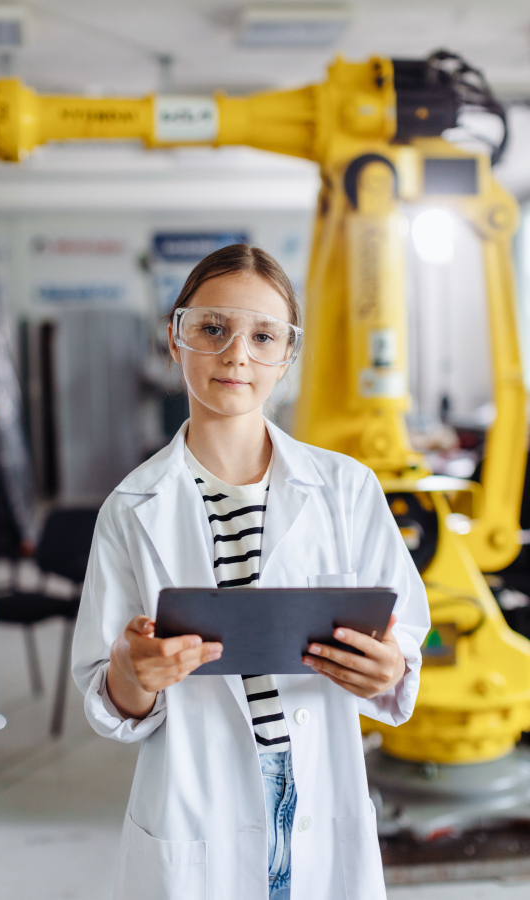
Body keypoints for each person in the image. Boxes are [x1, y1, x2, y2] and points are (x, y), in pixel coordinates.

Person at [72, 244, 430, 900]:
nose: (237, 354)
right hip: (197, 796)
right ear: (176, 341)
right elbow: (108, 697)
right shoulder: (133, 509)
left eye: (263, 335)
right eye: (213, 329)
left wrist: (392, 667)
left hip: (319, 786)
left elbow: (403, 635)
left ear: (286, 358)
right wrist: (133, 672)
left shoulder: (346, 489)